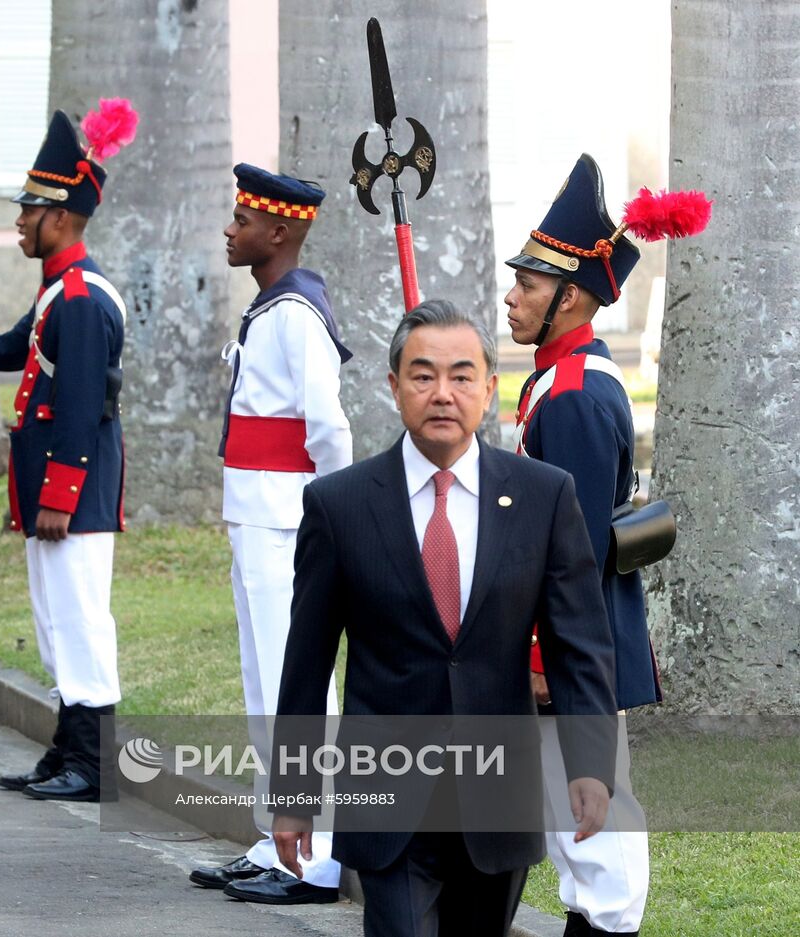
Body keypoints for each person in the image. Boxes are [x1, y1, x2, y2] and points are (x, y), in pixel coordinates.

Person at [271, 300, 618, 937]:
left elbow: (580, 646)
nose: (442, 393)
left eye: (462, 376)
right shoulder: (339, 505)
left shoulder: (543, 496)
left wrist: (589, 764)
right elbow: (307, 659)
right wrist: (293, 793)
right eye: (423, 375)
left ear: (489, 388)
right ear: (393, 386)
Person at [0, 101, 136, 802]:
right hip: (54, 496)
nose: (20, 219)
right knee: (56, 625)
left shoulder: (80, 298)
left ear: (62, 216)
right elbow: (0, 349)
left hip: (71, 498)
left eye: (29, 209)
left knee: (81, 621)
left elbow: (81, 409)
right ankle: (69, 746)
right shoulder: (59, 291)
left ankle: (94, 761)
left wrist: (58, 497)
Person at [503, 153, 669, 937]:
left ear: (569, 297)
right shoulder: (561, 378)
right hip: (570, 632)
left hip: (569, 636)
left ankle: (604, 924)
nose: (511, 296)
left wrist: (541, 655)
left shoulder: (570, 394)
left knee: (590, 795)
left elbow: (565, 552)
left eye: (528, 285)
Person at [189, 164, 351, 905]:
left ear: (278, 232)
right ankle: (275, 834)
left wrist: (332, 523)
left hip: (289, 523)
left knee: (297, 689)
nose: (230, 230)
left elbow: (330, 430)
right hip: (260, 518)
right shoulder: (272, 308)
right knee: (267, 684)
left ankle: (313, 851)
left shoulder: (294, 315)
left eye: (242, 221)